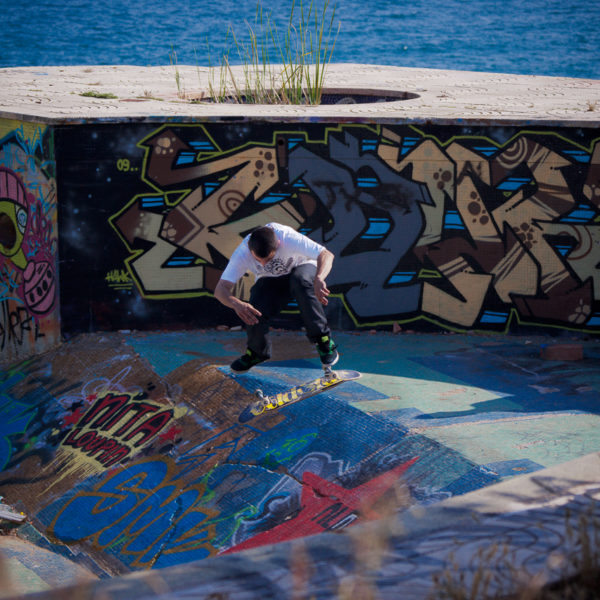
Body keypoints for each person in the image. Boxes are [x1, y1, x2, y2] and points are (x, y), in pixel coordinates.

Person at [214, 223, 339, 372]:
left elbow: (326, 254)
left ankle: (324, 342)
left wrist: (319, 278)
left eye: (268, 258)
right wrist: (236, 304)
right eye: (258, 260)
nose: (264, 263)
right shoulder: (242, 252)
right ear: (250, 248)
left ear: (278, 244)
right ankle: (256, 352)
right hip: (272, 280)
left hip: (302, 267)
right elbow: (220, 289)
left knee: (300, 280)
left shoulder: (287, 237)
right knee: (255, 305)